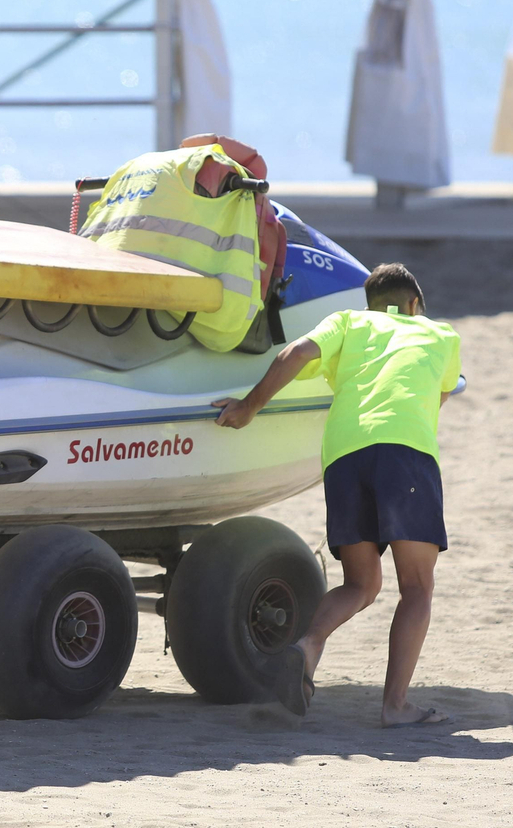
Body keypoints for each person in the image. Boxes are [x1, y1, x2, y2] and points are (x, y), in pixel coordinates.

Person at [212, 263, 461, 727]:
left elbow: (296, 353)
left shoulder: (348, 322)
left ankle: (307, 647)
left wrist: (249, 407)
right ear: (414, 306)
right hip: (405, 454)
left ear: (371, 306)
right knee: (417, 587)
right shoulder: (439, 334)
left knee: (360, 585)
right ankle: (395, 706)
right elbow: (442, 393)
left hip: (345, 456)